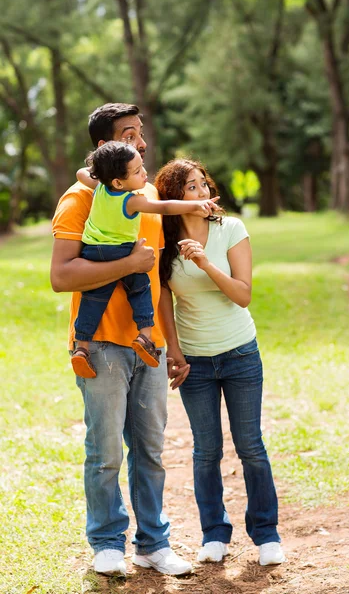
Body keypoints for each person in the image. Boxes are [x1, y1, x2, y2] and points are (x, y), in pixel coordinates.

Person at [50, 103, 192, 578]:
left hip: (146, 345)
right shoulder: (78, 198)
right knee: (106, 452)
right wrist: (127, 265)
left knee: (151, 450)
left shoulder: (145, 193)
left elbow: (160, 281)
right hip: (102, 347)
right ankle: (108, 542)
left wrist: (172, 344)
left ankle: (154, 543)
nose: (142, 142)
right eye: (129, 135)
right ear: (103, 148)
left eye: (140, 132)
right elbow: (62, 275)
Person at [155, 158, 285, 566]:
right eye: (187, 188)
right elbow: (163, 299)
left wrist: (204, 262)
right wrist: (173, 351)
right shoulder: (162, 238)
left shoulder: (230, 230)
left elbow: (242, 295)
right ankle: (214, 533)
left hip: (240, 352)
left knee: (250, 446)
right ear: (173, 199)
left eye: (200, 185)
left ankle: (266, 534)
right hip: (194, 359)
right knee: (206, 450)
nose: (198, 193)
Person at [71, 141, 219, 378]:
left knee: (92, 300)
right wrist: (196, 204)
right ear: (118, 182)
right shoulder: (132, 200)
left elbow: (81, 173)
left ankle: (81, 348)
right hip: (121, 252)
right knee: (141, 290)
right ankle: (145, 336)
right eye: (138, 171)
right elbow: (166, 206)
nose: (145, 173)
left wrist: (97, 170)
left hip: (93, 252)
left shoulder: (99, 186)